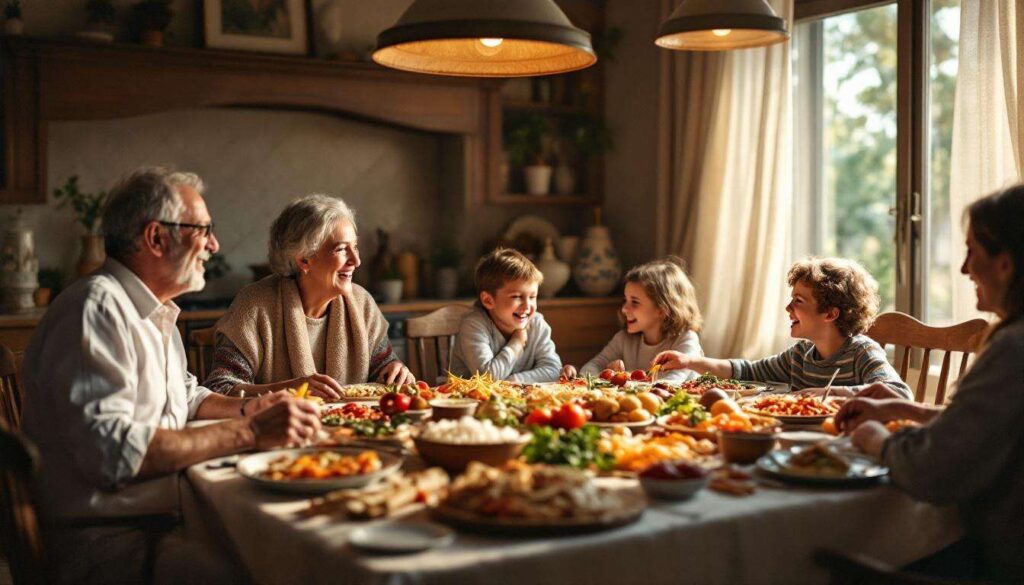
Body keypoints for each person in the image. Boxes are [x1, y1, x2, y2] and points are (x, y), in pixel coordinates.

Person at [20, 167, 321, 585]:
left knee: (286, 549)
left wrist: (254, 405)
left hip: (156, 519)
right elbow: (116, 455)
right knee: (273, 569)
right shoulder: (96, 310)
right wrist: (251, 431)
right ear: (156, 237)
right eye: (202, 230)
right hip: (106, 544)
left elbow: (187, 397)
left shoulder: (151, 310)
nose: (213, 245)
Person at [836, 185, 1024, 583]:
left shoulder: (1013, 349)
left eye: (973, 251)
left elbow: (933, 470)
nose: (964, 268)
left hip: (997, 564)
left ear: (1005, 264)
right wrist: (906, 410)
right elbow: (995, 427)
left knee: (820, 554)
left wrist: (874, 439)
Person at [205, 194, 414, 398]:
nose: (356, 260)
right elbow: (221, 388)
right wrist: (292, 390)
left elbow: (383, 367)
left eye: (355, 247)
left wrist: (394, 370)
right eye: (341, 249)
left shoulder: (362, 303)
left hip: (349, 427)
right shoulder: (255, 305)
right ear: (304, 260)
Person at [654, 257, 911, 398]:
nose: (788, 308)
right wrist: (689, 362)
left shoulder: (862, 352)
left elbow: (899, 393)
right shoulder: (799, 356)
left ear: (830, 314)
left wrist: (831, 393)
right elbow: (745, 371)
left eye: (798, 301)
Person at [561, 257, 703, 382]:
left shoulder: (686, 340)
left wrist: (624, 379)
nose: (624, 309)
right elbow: (590, 368)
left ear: (662, 309)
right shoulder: (624, 339)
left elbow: (671, 383)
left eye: (634, 302)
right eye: (625, 300)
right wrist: (606, 376)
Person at [450, 247, 561, 383]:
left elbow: (553, 370)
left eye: (532, 297)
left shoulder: (537, 324)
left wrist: (514, 381)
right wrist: (517, 342)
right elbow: (487, 378)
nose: (527, 306)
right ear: (488, 300)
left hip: (518, 400)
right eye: (517, 296)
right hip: (468, 401)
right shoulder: (474, 325)